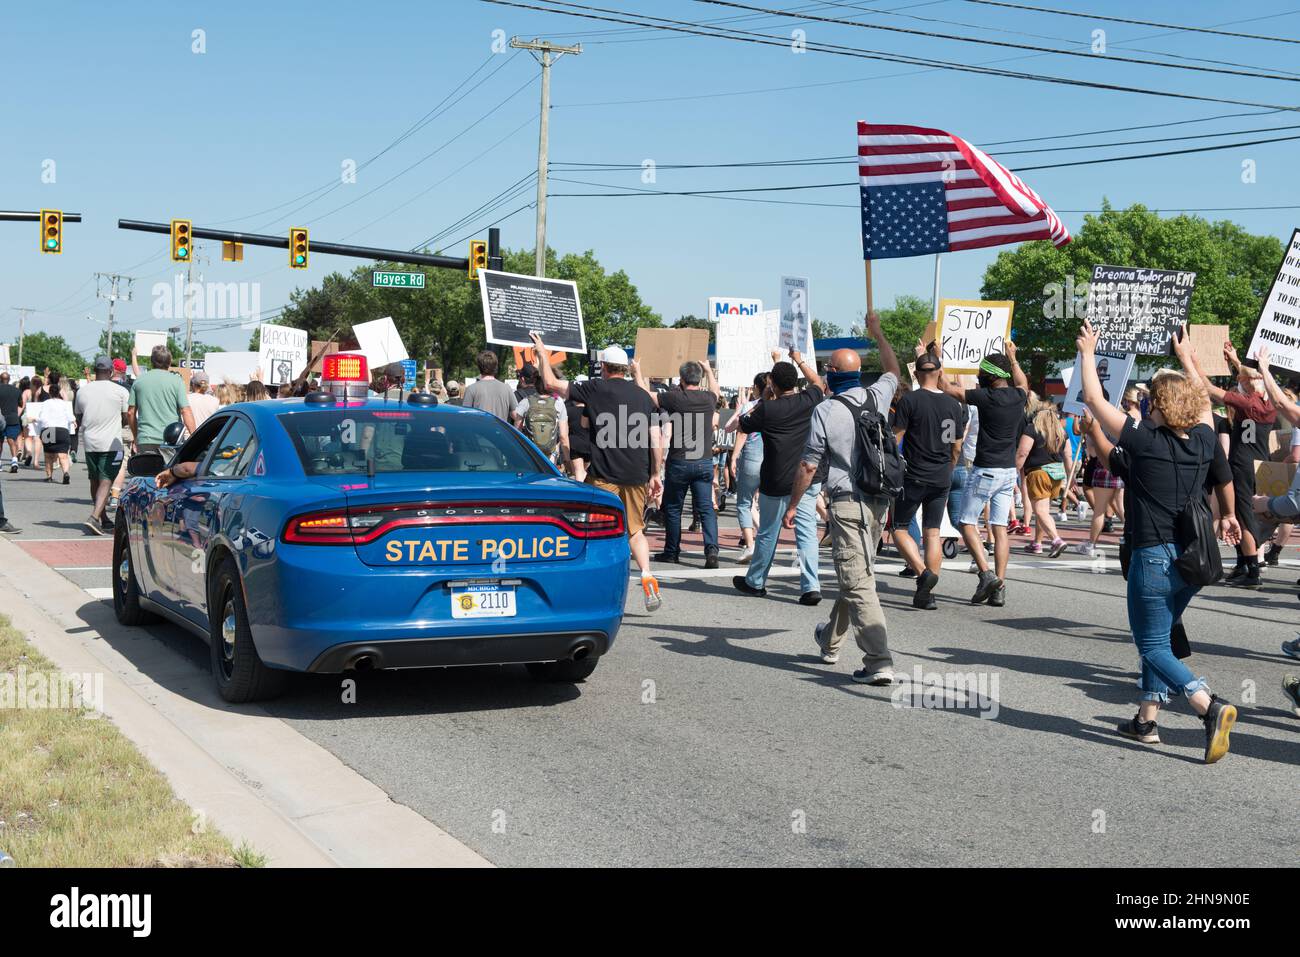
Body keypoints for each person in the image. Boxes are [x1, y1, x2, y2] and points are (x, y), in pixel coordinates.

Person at [1078, 320, 1238, 763]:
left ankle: (1208, 705)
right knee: (1162, 638)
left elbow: (1093, 398)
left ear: (1160, 407)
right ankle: (1146, 720)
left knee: (1150, 645)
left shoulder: (1145, 440)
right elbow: (1204, 403)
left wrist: (1089, 352)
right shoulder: (1204, 440)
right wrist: (1188, 358)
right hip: (1192, 562)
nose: (1145, 403)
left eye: (1151, 400)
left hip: (1152, 558)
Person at [786, 310, 900, 681]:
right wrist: (878, 332)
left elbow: (807, 466)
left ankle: (878, 660)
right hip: (878, 501)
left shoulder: (825, 411)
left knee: (857, 580)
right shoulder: (877, 396)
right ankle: (830, 641)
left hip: (847, 502)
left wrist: (792, 505)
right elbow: (894, 370)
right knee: (857, 573)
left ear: (832, 375)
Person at [531, 332, 664, 612]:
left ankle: (592, 587)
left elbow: (550, 383)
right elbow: (655, 439)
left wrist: (543, 353)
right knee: (635, 530)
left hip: (603, 475)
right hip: (637, 474)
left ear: (603, 367)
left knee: (596, 531)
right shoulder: (642, 397)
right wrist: (655, 474)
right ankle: (648, 575)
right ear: (626, 369)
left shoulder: (594, 389)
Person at [938, 343, 1029, 606]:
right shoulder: (1018, 396)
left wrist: (937, 358)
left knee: (966, 522)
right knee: (999, 529)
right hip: (1008, 472)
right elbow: (1022, 381)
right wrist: (1013, 357)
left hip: (985, 470)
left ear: (988, 376)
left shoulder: (985, 398)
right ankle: (1000, 586)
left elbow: (947, 388)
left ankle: (986, 574)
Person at [733, 348, 825, 605]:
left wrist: (763, 397)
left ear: (772, 383)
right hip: (806, 478)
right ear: (796, 382)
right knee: (806, 532)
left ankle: (756, 581)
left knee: (768, 534)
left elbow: (743, 423)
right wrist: (799, 360)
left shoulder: (768, 409)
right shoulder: (809, 401)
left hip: (775, 478)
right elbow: (818, 382)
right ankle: (810, 586)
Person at [1183, 338, 1275, 589]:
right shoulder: (1268, 405)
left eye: (1242, 381)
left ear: (1250, 385)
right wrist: (1235, 360)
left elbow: (1210, 388)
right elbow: (1250, 378)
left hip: (1242, 464)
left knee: (1243, 517)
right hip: (1258, 462)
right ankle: (1245, 563)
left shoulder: (1247, 402)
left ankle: (1253, 570)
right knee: (1241, 513)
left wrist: (1192, 360)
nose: (1239, 383)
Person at [892, 346, 966, 609]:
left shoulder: (909, 401)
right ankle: (926, 592)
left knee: (899, 527)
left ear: (916, 372)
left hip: (913, 473)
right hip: (941, 474)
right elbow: (957, 445)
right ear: (939, 372)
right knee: (932, 533)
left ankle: (924, 574)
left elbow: (896, 438)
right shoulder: (953, 403)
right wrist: (949, 466)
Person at [634, 359, 721, 568]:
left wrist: (637, 371)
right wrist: (709, 370)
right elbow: (716, 391)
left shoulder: (675, 398)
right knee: (706, 508)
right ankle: (711, 551)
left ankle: (672, 551)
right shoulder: (709, 398)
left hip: (680, 461)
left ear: (681, 379)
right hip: (704, 461)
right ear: (699, 379)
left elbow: (647, 396)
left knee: (673, 509)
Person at [75, 356, 130, 535]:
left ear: (94, 370)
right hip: (111, 442)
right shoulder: (120, 391)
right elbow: (125, 418)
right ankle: (94, 517)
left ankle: (103, 519)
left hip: (90, 441)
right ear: (111, 371)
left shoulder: (82, 392)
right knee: (106, 480)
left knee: (95, 480)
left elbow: (79, 417)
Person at [1016, 402, 1072, 557]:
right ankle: (1037, 543)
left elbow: (1022, 452)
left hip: (1038, 473)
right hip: (1056, 474)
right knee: (1043, 511)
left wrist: (1014, 470)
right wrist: (1071, 477)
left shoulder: (1032, 429)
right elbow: (1068, 455)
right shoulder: (1061, 433)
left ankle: (1056, 540)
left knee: (1040, 511)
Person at [728, 373, 768, 564]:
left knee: (744, 502)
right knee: (767, 504)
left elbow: (739, 432)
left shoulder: (750, 407)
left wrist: (734, 457)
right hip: (773, 460)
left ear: (757, 388)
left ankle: (750, 545)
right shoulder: (779, 405)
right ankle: (767, 543)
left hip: (752, 458)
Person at [129, 346, 196, 452]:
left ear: (152, 361)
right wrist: (195, 437)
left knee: (147, 468)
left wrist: (136, 436)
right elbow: (185, 411)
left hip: (146, 438)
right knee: (168, 469)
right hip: (171, 439)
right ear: (169, 362)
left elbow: (131, 413)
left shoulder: (139, 381)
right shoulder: (177, 381)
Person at [512, 378, 570, 469]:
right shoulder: (559, 403)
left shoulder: (526, 401)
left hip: (530, 453)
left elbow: (516, 432)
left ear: (536, 385)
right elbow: (563, 436)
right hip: (551, 454)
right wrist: (567, 460)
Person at [36, 383, 76, 484]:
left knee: (48, 455)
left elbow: (41, 418)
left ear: (49, 392)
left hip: (48, 430)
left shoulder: (45, 403)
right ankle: (66, 473)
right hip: (62, 430)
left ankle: (49, 476)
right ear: (59, 392)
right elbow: (71, 417)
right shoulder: (64, 404)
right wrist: (74, 421)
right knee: (63, 455)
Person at [463, 351, 515, 421]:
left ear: (479, 366)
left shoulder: (471, 389)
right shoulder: (507, 388)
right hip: (499, 431)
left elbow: (465, 417)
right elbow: (515, 415)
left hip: (479, 431)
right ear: (496, 366)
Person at [0, 372, 24, 473]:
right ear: (9, 379)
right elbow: (21, 403)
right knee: (11, 440)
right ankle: (14, 461)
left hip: (0, 419)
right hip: (13, 418)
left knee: (0, 442)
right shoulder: (17, 390)